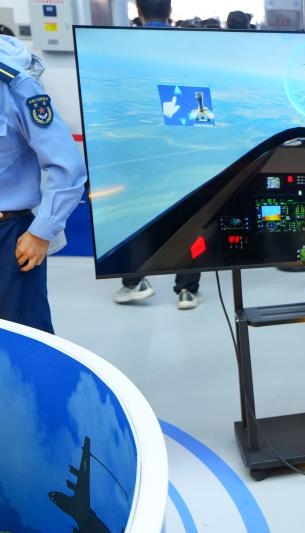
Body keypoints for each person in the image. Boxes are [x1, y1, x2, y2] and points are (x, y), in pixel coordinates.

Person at [115, 0, 203, 310]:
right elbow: (198, 99)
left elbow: (122, 102)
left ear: (138, 11)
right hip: (183, 144)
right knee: (192, 215)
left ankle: (133, 281)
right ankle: (187, 290)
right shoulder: (186, 48)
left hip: (142, 146)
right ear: (169, 12)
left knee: (137, 213)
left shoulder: (124, 49)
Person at [0, 34, 86, 333]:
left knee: (24, 345)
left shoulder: (14, 85)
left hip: (9, 239)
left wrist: (42, 232)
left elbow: (68, 167)